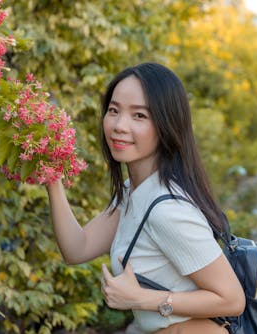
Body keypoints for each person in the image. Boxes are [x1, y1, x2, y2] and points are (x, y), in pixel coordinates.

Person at [46, 62, 245, 333]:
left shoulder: (168, 210)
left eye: (139, 116)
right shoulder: (134, 192)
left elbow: (232, 299)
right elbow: (77, 248)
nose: (119, 125)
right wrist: (52, 179)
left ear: (166, 124)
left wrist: (141, 299)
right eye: (113, 111)